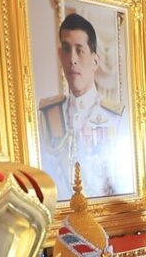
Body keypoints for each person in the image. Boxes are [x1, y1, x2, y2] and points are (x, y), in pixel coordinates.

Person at [38, 13, 131, 200]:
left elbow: (123, 185)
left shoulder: (116, 118)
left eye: (79, 50)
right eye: (67, 49)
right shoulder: (47, 115)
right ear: (60, 55)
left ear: (95, 61)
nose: (72, 59)